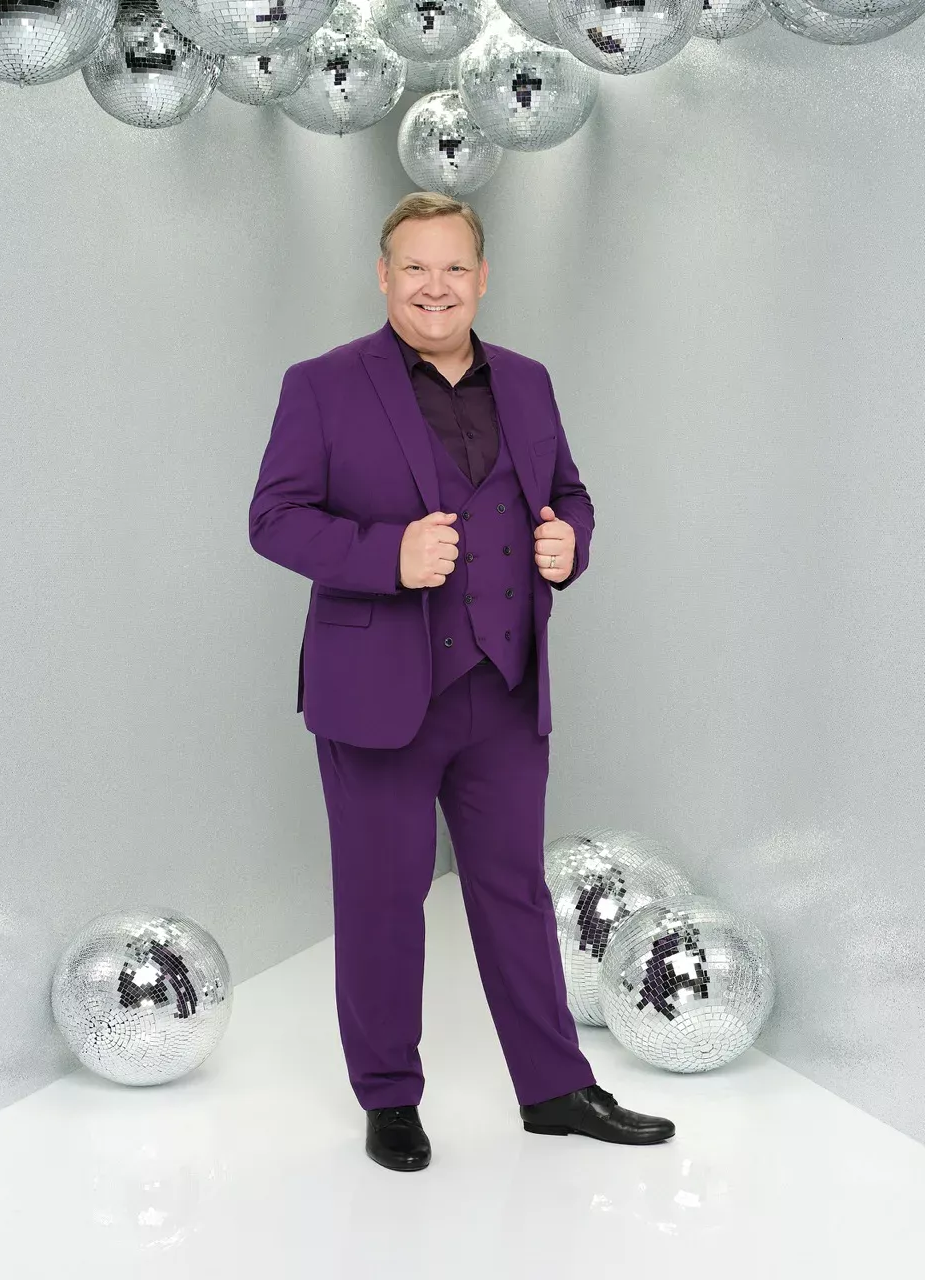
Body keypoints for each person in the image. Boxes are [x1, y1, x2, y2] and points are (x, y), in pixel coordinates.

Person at [248, 192, 675, 1172]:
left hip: (505, 687)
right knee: (382, 901)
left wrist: (572, 544)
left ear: (482, 278)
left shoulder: (527, 380)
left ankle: (555, 1088)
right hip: (378, 695)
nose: (433, 286)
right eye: (414, 267)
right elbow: (273, 518)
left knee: (514, 892)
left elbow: (569, 495)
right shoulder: (322, 385)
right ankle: (390, 1098)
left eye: (452, 268)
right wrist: (386, 554)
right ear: (384, 276)